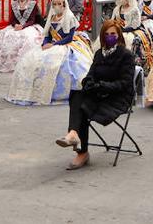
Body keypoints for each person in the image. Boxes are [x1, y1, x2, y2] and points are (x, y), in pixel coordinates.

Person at [55, 20, 136, 170]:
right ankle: (73, 135)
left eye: (113, 34)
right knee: (77, 95)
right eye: (106, 34)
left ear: (118, 35)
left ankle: (81, 151)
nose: (110, 37)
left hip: (117, 98)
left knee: (83, 108)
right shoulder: (99, 53)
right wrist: (89, 82)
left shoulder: (126, 55)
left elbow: (124, 84)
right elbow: (90, 74)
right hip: (99, 93)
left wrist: (102, 86)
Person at [7, 0, 93, 106]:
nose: (56, 6)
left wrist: (53, 44)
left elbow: (69, 38)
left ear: (64, 5)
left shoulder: (69, 18)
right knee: (32, 61)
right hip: (51, 43)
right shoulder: (52, 17)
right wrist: (44, 44)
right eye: (54, 4)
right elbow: (47, 34)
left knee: (56, 64)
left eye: (59, 4)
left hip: (64, 44)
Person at [0, 0, 44, 74]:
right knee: (7, 36)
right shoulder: (14, 4)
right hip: (16, 26)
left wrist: (23, 26)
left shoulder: (32, 4)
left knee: (27, 38)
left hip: (28, 26)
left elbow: (32, 19)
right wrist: (15, 25)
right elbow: (12, 19)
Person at [110, 0, 153, 73]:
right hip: (118, 30)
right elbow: (112, 20)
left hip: (131, 31)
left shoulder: (134, 9)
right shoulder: (116, 9)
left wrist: (124, 30)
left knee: (128, 41)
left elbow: (136, 24)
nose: (122, 0)